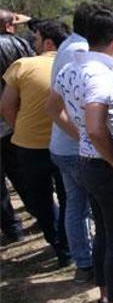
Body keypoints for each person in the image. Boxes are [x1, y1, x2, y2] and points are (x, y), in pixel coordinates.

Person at [54, 7, 113, 303]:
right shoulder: (102, 75)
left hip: (86, 162)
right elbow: (95, 124)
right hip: (107, 168)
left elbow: (53, 107)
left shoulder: (70, 69)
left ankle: (106, 297)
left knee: (104, 232)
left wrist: (84, 140)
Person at [1, 20, 70, 266]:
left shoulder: (23, 66)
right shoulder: (72, 65)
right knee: (69, 198)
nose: (33, 43)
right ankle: (72, 245)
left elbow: (6, 105)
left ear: (48, 42)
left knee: (40, 197)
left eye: (37, 39)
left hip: (29, 145)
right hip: (66, 144)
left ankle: (59, 247)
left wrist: (20, 128)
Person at [45, 3, 99, 282]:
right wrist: (86, 138)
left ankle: (84, 263)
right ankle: (97, 268)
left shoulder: (67, 45)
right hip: (74, 146)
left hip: (61, 144)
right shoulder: (80, 51)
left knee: (74, 205)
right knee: (96, 209)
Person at [0, 9, 35, 243]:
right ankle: (42, 213)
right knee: (23, 171)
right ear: (9, 26)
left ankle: (13, 229)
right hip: (17, 117)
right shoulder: (19, 45)